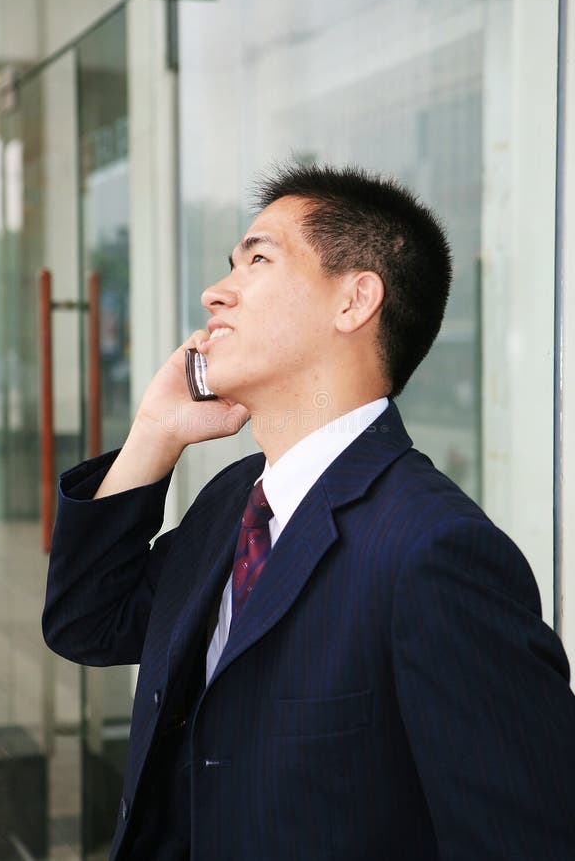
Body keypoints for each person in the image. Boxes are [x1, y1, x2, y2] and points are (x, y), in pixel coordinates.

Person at [43, 163, 575, 861]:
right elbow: (87, 622)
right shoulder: (234, 503)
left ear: (354, 301)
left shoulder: (433, 551)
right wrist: (154, 432)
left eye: (258, 258)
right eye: (230, 264)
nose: (215, 292)